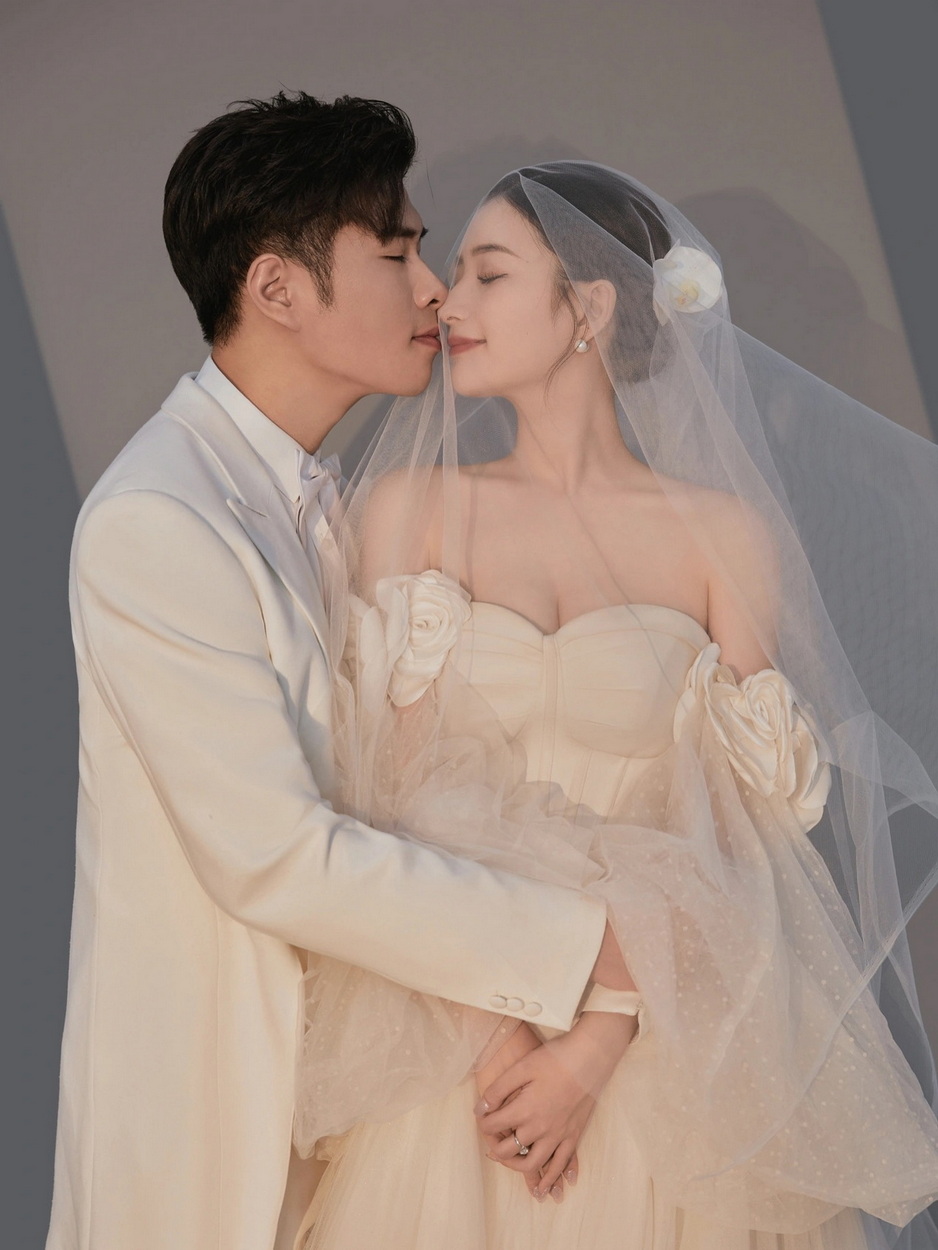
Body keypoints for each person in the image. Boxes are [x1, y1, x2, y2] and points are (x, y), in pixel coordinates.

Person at [288, 163, 938, 1250]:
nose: (449, 298)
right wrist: (500, 1050)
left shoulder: (721, 535)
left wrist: (595, 1045)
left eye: (490, 273)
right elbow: (384, 804)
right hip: (452, 1046)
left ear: (587, 306)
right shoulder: (407, 508)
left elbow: (737, 834)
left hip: (655, 1051)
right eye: (454, 270)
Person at [43, 103, 642, 1250]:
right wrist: (580, 945)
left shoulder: (313, 499)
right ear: (276, 287)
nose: (433, 289)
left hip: (355, 1113)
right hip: (215, 1121)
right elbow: (275, 854)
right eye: (396, 250)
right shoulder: (157, 518)